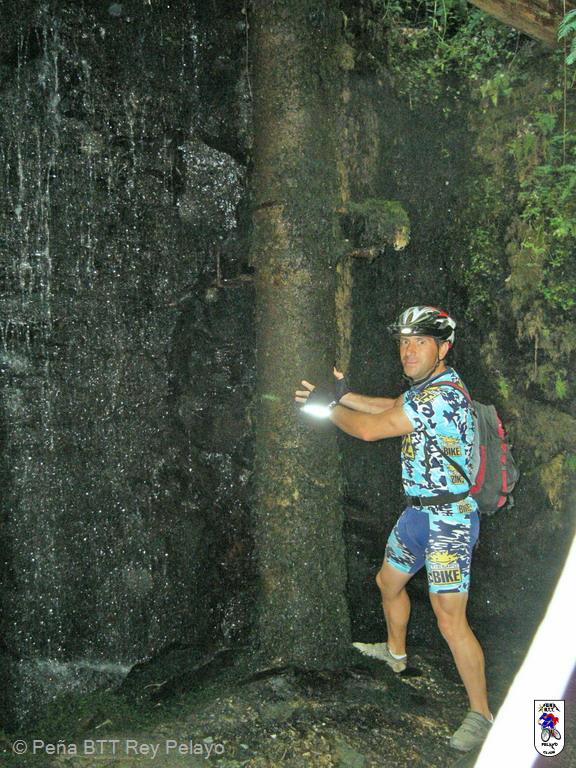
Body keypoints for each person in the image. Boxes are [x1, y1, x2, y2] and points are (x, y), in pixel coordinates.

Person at [295, 305, 493, 752]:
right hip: (417, 514)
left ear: (443, 348)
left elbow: (371, 430)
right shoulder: (428, 387)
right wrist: (344, 393)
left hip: (449, 521)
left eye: (420, 342)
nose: (408, 351)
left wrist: (326, 407)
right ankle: (396, 655)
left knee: (450, 619)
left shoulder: (443, 396)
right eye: (404, 342)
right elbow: (391, 407)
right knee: (388, 582)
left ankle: (481, 714)